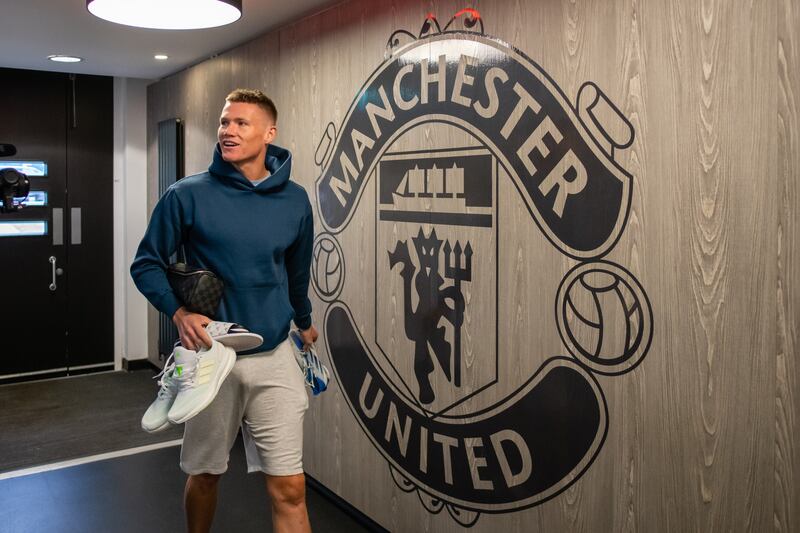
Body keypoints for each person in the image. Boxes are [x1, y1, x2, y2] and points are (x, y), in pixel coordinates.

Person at [131, 88, 317, 533]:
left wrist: (305, 322)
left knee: (290, 486)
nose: (228, 131)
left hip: (274, 358)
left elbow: (296, 272)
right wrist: (177, 312)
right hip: (212, 355)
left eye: (241, 123)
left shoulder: (294, 200)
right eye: (224, 122)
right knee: (206, 474)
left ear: (269, 133)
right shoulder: (187, 195)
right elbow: (146, 264)